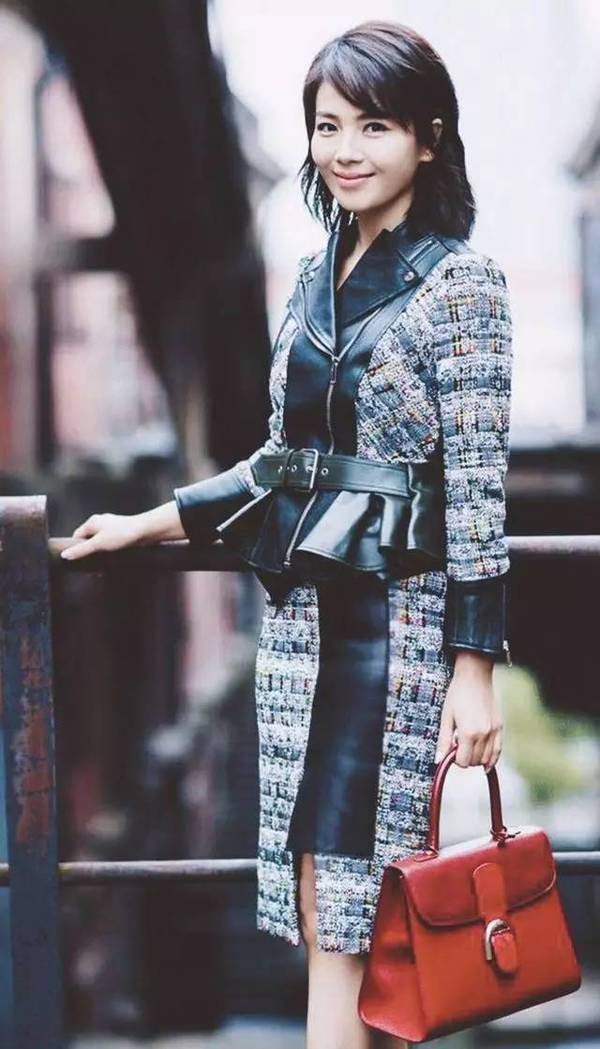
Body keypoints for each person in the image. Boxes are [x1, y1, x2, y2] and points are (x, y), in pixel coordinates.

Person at [62, 19, 513, 1049]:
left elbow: (480, 490)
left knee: (352, 910)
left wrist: (475, 667)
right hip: (305, 629)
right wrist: (145, 522)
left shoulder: (465, 285)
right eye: (328, 126)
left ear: (430, 139)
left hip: (396, 633)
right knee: (328, 909)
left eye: (375, 126)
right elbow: (279, 462)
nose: (345, 149)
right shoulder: (313, 279)